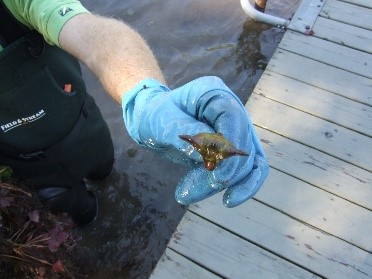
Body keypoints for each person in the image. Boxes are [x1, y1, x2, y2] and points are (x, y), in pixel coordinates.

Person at [0, 0, 269, 225]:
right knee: (82, 216)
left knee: (107, 170)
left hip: (84, 126)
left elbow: (95, 36)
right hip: (29, 168)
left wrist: (145, 97)